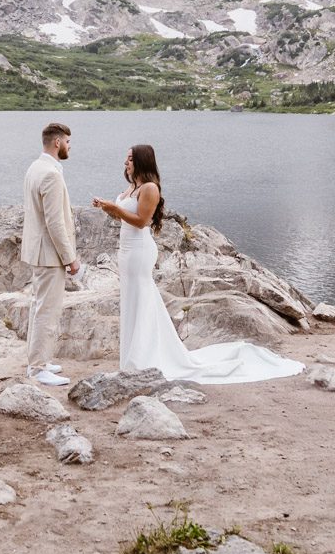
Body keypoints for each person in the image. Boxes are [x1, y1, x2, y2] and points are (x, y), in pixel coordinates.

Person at [92, 144, 303, 384]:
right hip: (126, 250)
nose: (125, 162)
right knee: (131, 299)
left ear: (142, 160)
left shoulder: (150, 188)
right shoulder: (132, 188)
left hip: (139, 250)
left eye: (130, 158)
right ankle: (132, 356)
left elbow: (141, 222)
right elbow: (123, 218)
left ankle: (142, 359)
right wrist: (107, 208)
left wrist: (115, 208)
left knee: (141, 296)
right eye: (126, 158)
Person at [20, 121, 79, 386]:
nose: (69, 146)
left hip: (38, 251)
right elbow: (55, 222)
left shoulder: (36, 167)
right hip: (49, 254)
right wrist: (70, 258)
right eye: (68, 141)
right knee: (47, 311)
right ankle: (38, 367)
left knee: (38, 307)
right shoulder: (51, 174)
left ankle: (38, 360)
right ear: (57, 142)